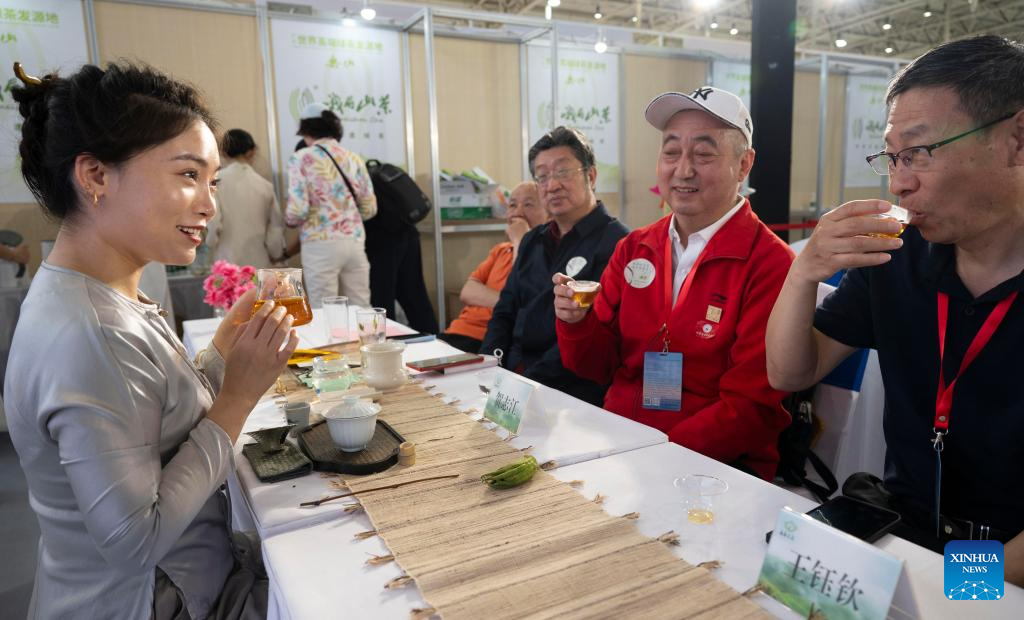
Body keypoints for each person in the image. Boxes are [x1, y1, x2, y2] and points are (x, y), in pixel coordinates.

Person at [4, 61, 299, 619]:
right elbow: (137, 540)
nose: (209, 205)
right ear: (94, 176)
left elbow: (152, 420)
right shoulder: (91, 331)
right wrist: (238, 396)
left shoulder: (95, 294)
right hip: (156, 600)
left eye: (211, 181)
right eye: (188, 175)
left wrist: (221, 356)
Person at [765, 35, 1024, 583]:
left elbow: (984, 585)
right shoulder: (896, 260)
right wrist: (804, 270)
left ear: (1016, 139)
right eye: (892, 155)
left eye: (920, 152)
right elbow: (790, 371)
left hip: (1003, 568)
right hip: (903, 533)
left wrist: (960, 585)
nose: (899, 180)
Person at [552, 88, 794, 480]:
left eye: (703, 154)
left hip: (715, 469)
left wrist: (658, 456)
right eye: (671, 152)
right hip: (622, 443)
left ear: (744, 164)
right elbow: (597, 367)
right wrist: (575, 322)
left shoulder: (770, 263)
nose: (683, 170)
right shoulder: (634, 248)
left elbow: (751, 408)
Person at [481, 127, 628, 406]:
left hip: (571, 392)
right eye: (543, 176)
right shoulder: (532, 240)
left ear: (591, 176)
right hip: (511, 380)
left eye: (563, 172)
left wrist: (524, 384)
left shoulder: (618, 243)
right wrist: (489, 364)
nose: (552, 185)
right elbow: (505, 310)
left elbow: (600, 338)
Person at [440, 181, 549, 353]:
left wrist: (520, 240)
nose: (518, 212)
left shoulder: (547, 254)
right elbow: (467, 292)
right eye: (512, 205)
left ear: (549, 214)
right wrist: (506, 301)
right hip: (455, 333)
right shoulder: (501, 250)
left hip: (488, 341)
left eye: (528, 204)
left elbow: (523, 299)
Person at [286, 103, 376, 307]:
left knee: (325, 309)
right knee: (361, 306)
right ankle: (367, 340)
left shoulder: (301, 158)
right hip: (354, 241)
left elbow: (297, 211)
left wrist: (290, 221)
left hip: (320, 244)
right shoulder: (354, 158)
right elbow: (370, 209)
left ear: (305, 130)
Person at [206, 128, 286, 267]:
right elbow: (275, 228)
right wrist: (276, 254)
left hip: (227, 261)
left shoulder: (216, 183)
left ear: (223, 153)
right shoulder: (266, 186)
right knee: (256, 289)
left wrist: (210, 242)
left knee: (229, 288)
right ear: (252, 151)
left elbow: (214, 223)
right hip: (259, 260)